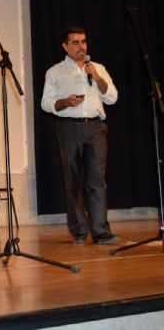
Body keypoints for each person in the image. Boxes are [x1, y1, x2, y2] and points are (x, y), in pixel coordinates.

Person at [41, 26, 119, 245]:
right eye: (75, 42)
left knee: (97, 181)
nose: (81, 46)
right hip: (68, 128)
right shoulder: (55, 71)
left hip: (95, 128)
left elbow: (112, 97)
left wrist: (95, 76)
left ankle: (101, 232)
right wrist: (66, 101)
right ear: (65, 46)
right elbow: (46, 103)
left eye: (83, 42)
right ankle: (79, 230)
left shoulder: (98, 68)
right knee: (73, 181)